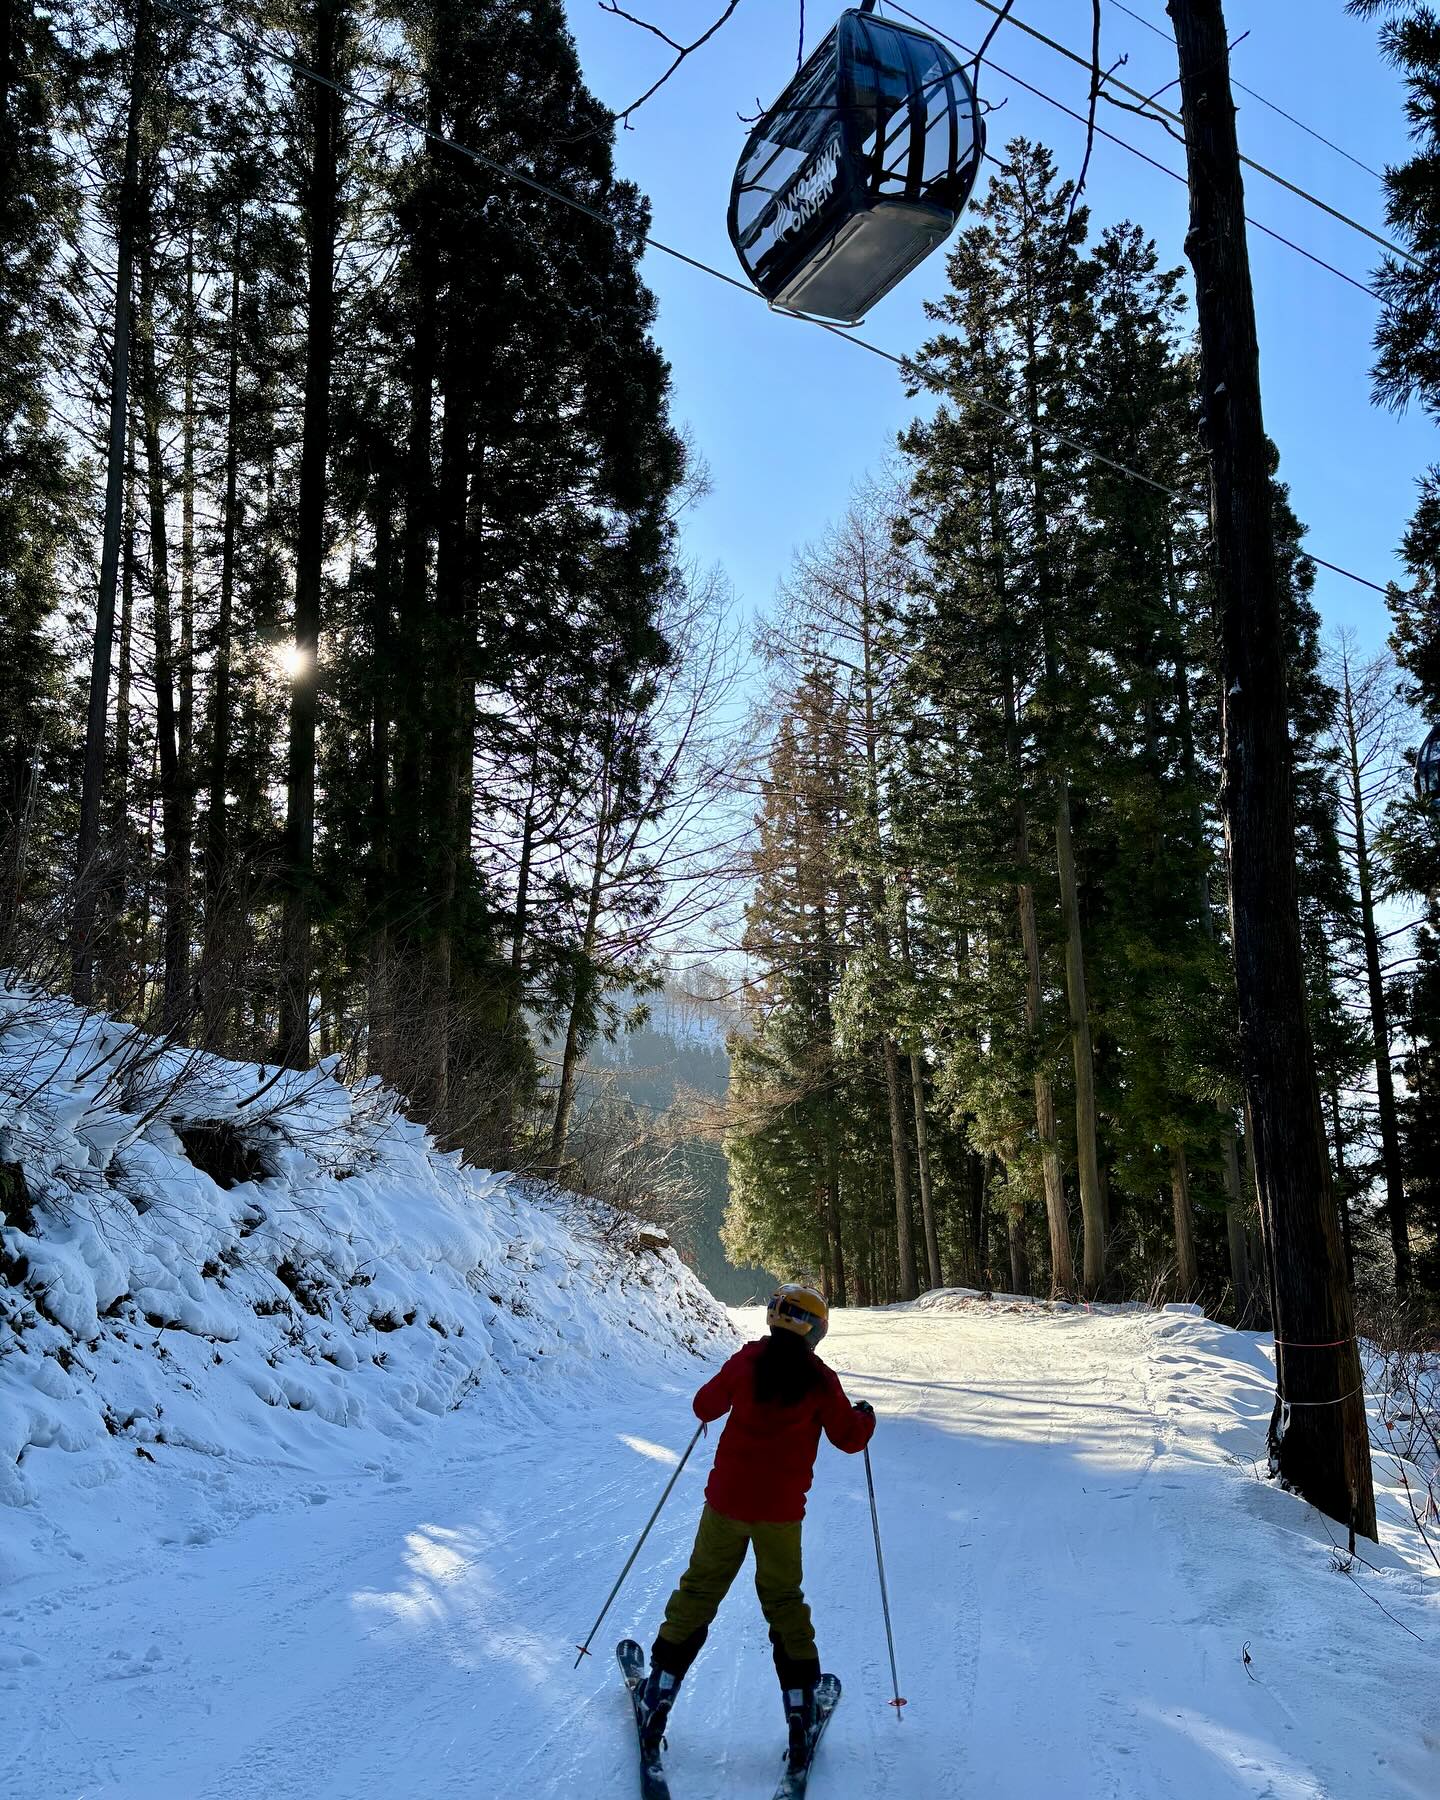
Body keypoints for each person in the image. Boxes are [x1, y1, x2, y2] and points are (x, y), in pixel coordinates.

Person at [637, 1283, 875, 1766]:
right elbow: (849, 1438)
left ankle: (658, 1691)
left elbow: (705, 1406)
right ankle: (800, 1709)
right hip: (781, 1514)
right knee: (785, 1603)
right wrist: (865, 1417)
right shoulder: (819, 1378)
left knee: (699, 1590)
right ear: (815, 1329)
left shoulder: (747, 1361)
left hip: (726, 1504)